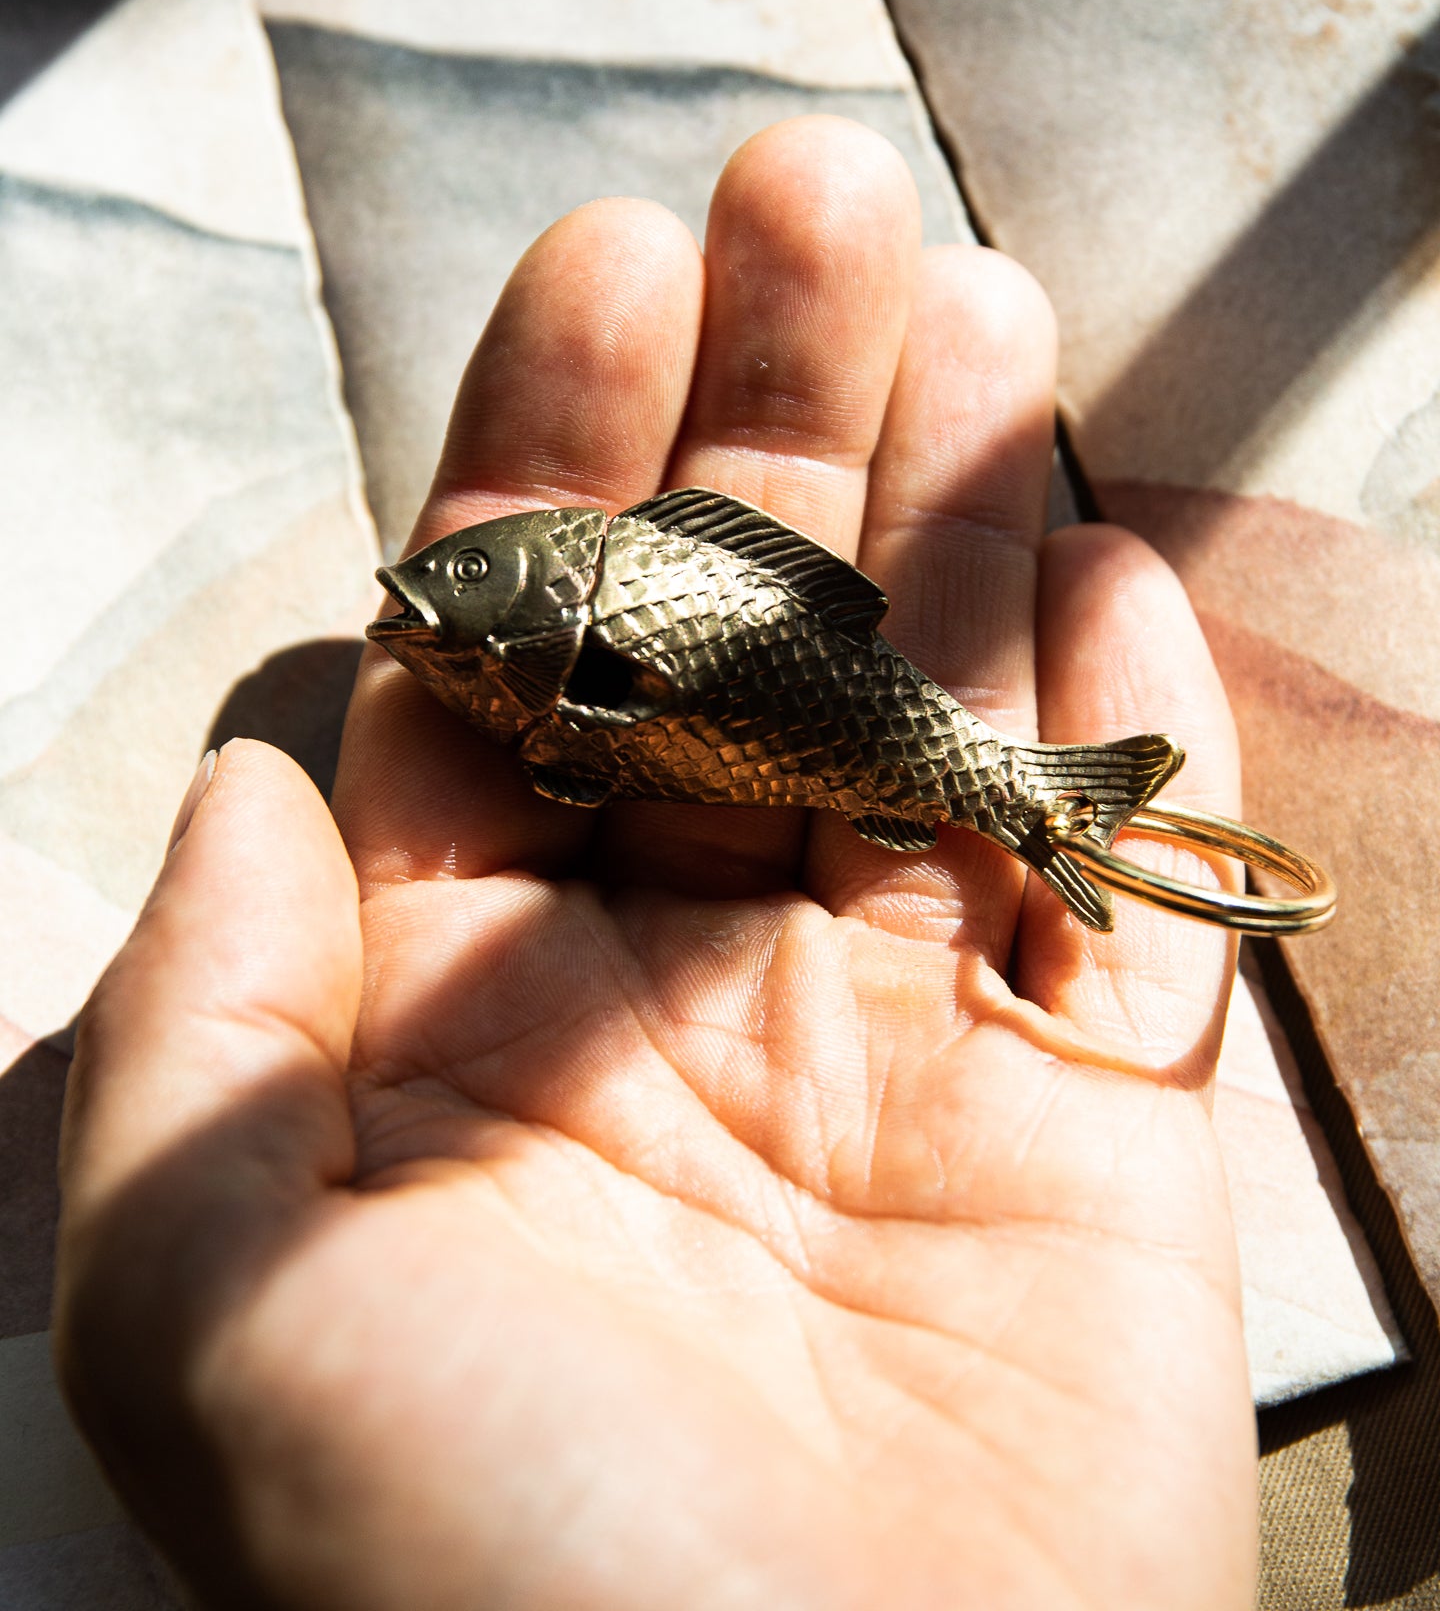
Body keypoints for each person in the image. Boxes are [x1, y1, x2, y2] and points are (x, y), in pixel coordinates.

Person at [53, 117, 1255, 1609]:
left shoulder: (599, 654)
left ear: (552, 606)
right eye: (462, 584)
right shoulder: (543, 684)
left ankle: (1039, 805)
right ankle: (1041, 804)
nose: (439, 598)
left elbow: (639, 705)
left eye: (475, 582)